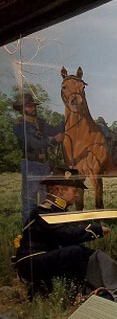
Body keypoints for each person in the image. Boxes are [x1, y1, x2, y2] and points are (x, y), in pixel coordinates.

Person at [13, 168, 109, 296]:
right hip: (30, 263)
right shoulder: (44, 211)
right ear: (60, 190)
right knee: (75, 252)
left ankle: (97, 287)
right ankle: (76, 295)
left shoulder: (55, 210)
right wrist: (95, 230)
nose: (77, 195)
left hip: (41, 258)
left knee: (87, 253)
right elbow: (65, 234)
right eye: (74, 191)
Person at [12, 92, 65, 224]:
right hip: (31, 164)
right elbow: (32, 144)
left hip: (44, 164)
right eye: (29, 106)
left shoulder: (40, 122)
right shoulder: (19, 125)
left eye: (33, 106)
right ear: (22, 108)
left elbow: (54, 130)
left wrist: (66, 118)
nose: (32, 108)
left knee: (45, 199)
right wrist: (53, 140)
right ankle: (28, 230)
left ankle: (44, 227)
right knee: (29, 199)